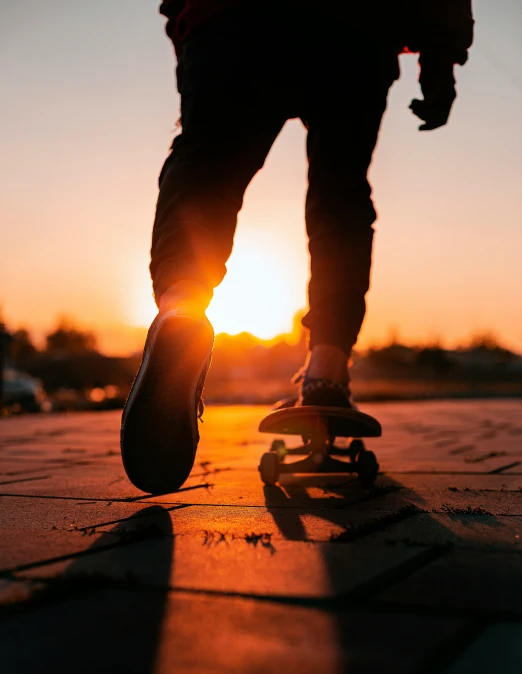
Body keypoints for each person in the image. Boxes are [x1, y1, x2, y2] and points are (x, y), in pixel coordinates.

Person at [121, 0, 474, 494]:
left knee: (206, 167)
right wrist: (441, 56)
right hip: (356, 28)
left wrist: (187, 23)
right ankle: (327, 371)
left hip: (233, 17)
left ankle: (182, 307)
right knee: (340, 195)